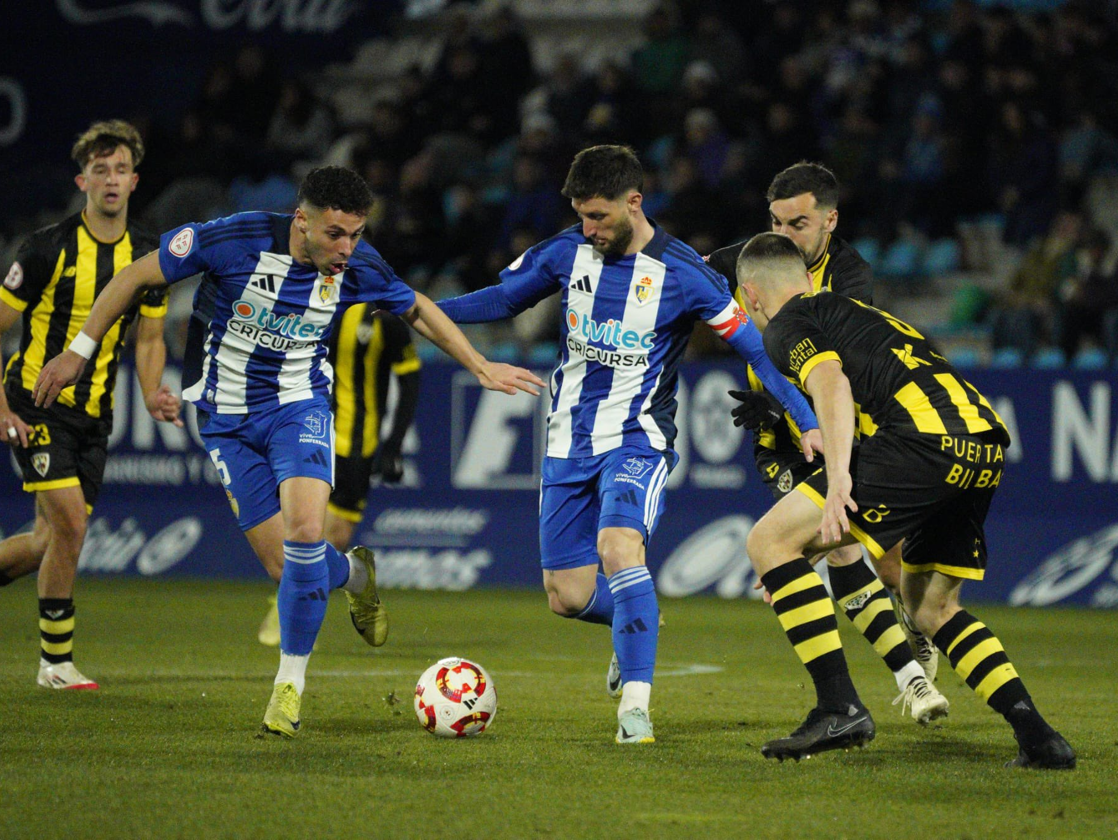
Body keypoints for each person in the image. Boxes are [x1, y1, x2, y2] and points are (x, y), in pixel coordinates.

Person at [33, 166, 543, 737]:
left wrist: (479, 365)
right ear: (301, 221)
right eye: (335, 234)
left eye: (356, 233)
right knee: (284, 567)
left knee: (304, 535)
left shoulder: (358, 266)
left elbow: (416, 306)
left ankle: (288, 689)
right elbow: (133, 276)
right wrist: (79, 350)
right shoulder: (232, 239)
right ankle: (353, 575)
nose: (347, 248)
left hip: (300, 407)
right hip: (225, 422)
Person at [437, 145, 820, 744]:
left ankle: (635, 710)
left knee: (620, 548)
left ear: (634, 202)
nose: (588, 229)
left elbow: (758, 354)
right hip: (567, 442)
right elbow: (501, 299)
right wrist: (418, 310)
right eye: (582, 216)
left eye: (598, 217)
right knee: (567, 597)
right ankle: (638, 620)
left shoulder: (686, 273)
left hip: (638, 441)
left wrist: (807, 420)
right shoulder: (567, 250)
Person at [737, 232, 1075, 769]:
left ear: (750, 295)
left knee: (767, 540)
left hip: (923, 441)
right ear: (806, 277)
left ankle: (838, 706)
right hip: (982, 444)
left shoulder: (786, 326)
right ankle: (1040, 738)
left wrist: (839, 478)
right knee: (929, 607)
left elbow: (830, 384)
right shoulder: (855, 313)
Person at [0, 120, 182, 689]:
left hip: (94, 414)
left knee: (49, 540)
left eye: (120, 170)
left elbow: (150, 338)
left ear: (135, 181)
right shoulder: (47, 248)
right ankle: (55, 664)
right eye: (99, 170)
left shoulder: (148, 254)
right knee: (71, 523)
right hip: (36, 402)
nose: (110, 180)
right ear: (81, 179)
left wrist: (149, 391)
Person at [707, 162, 946, 724]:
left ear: (830, 221)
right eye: (775, 221)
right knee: (840, 545)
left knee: (889, 569)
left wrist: (788, 396)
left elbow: (838, 367)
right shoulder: (755, 256)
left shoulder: (853, 279)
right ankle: (910, 682)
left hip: (841, 430)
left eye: (799, 223)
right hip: (782, 439)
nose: (784, 236)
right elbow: (681, 277)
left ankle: (909, 627)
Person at [257, 302, 421, 647]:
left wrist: (393, 443)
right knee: (301, 526)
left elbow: (410, 378)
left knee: (336, 536)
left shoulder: (385, 316)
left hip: (358, 443)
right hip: (305, 431)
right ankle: (286, 607)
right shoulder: (313, 303)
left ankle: (296, 603)